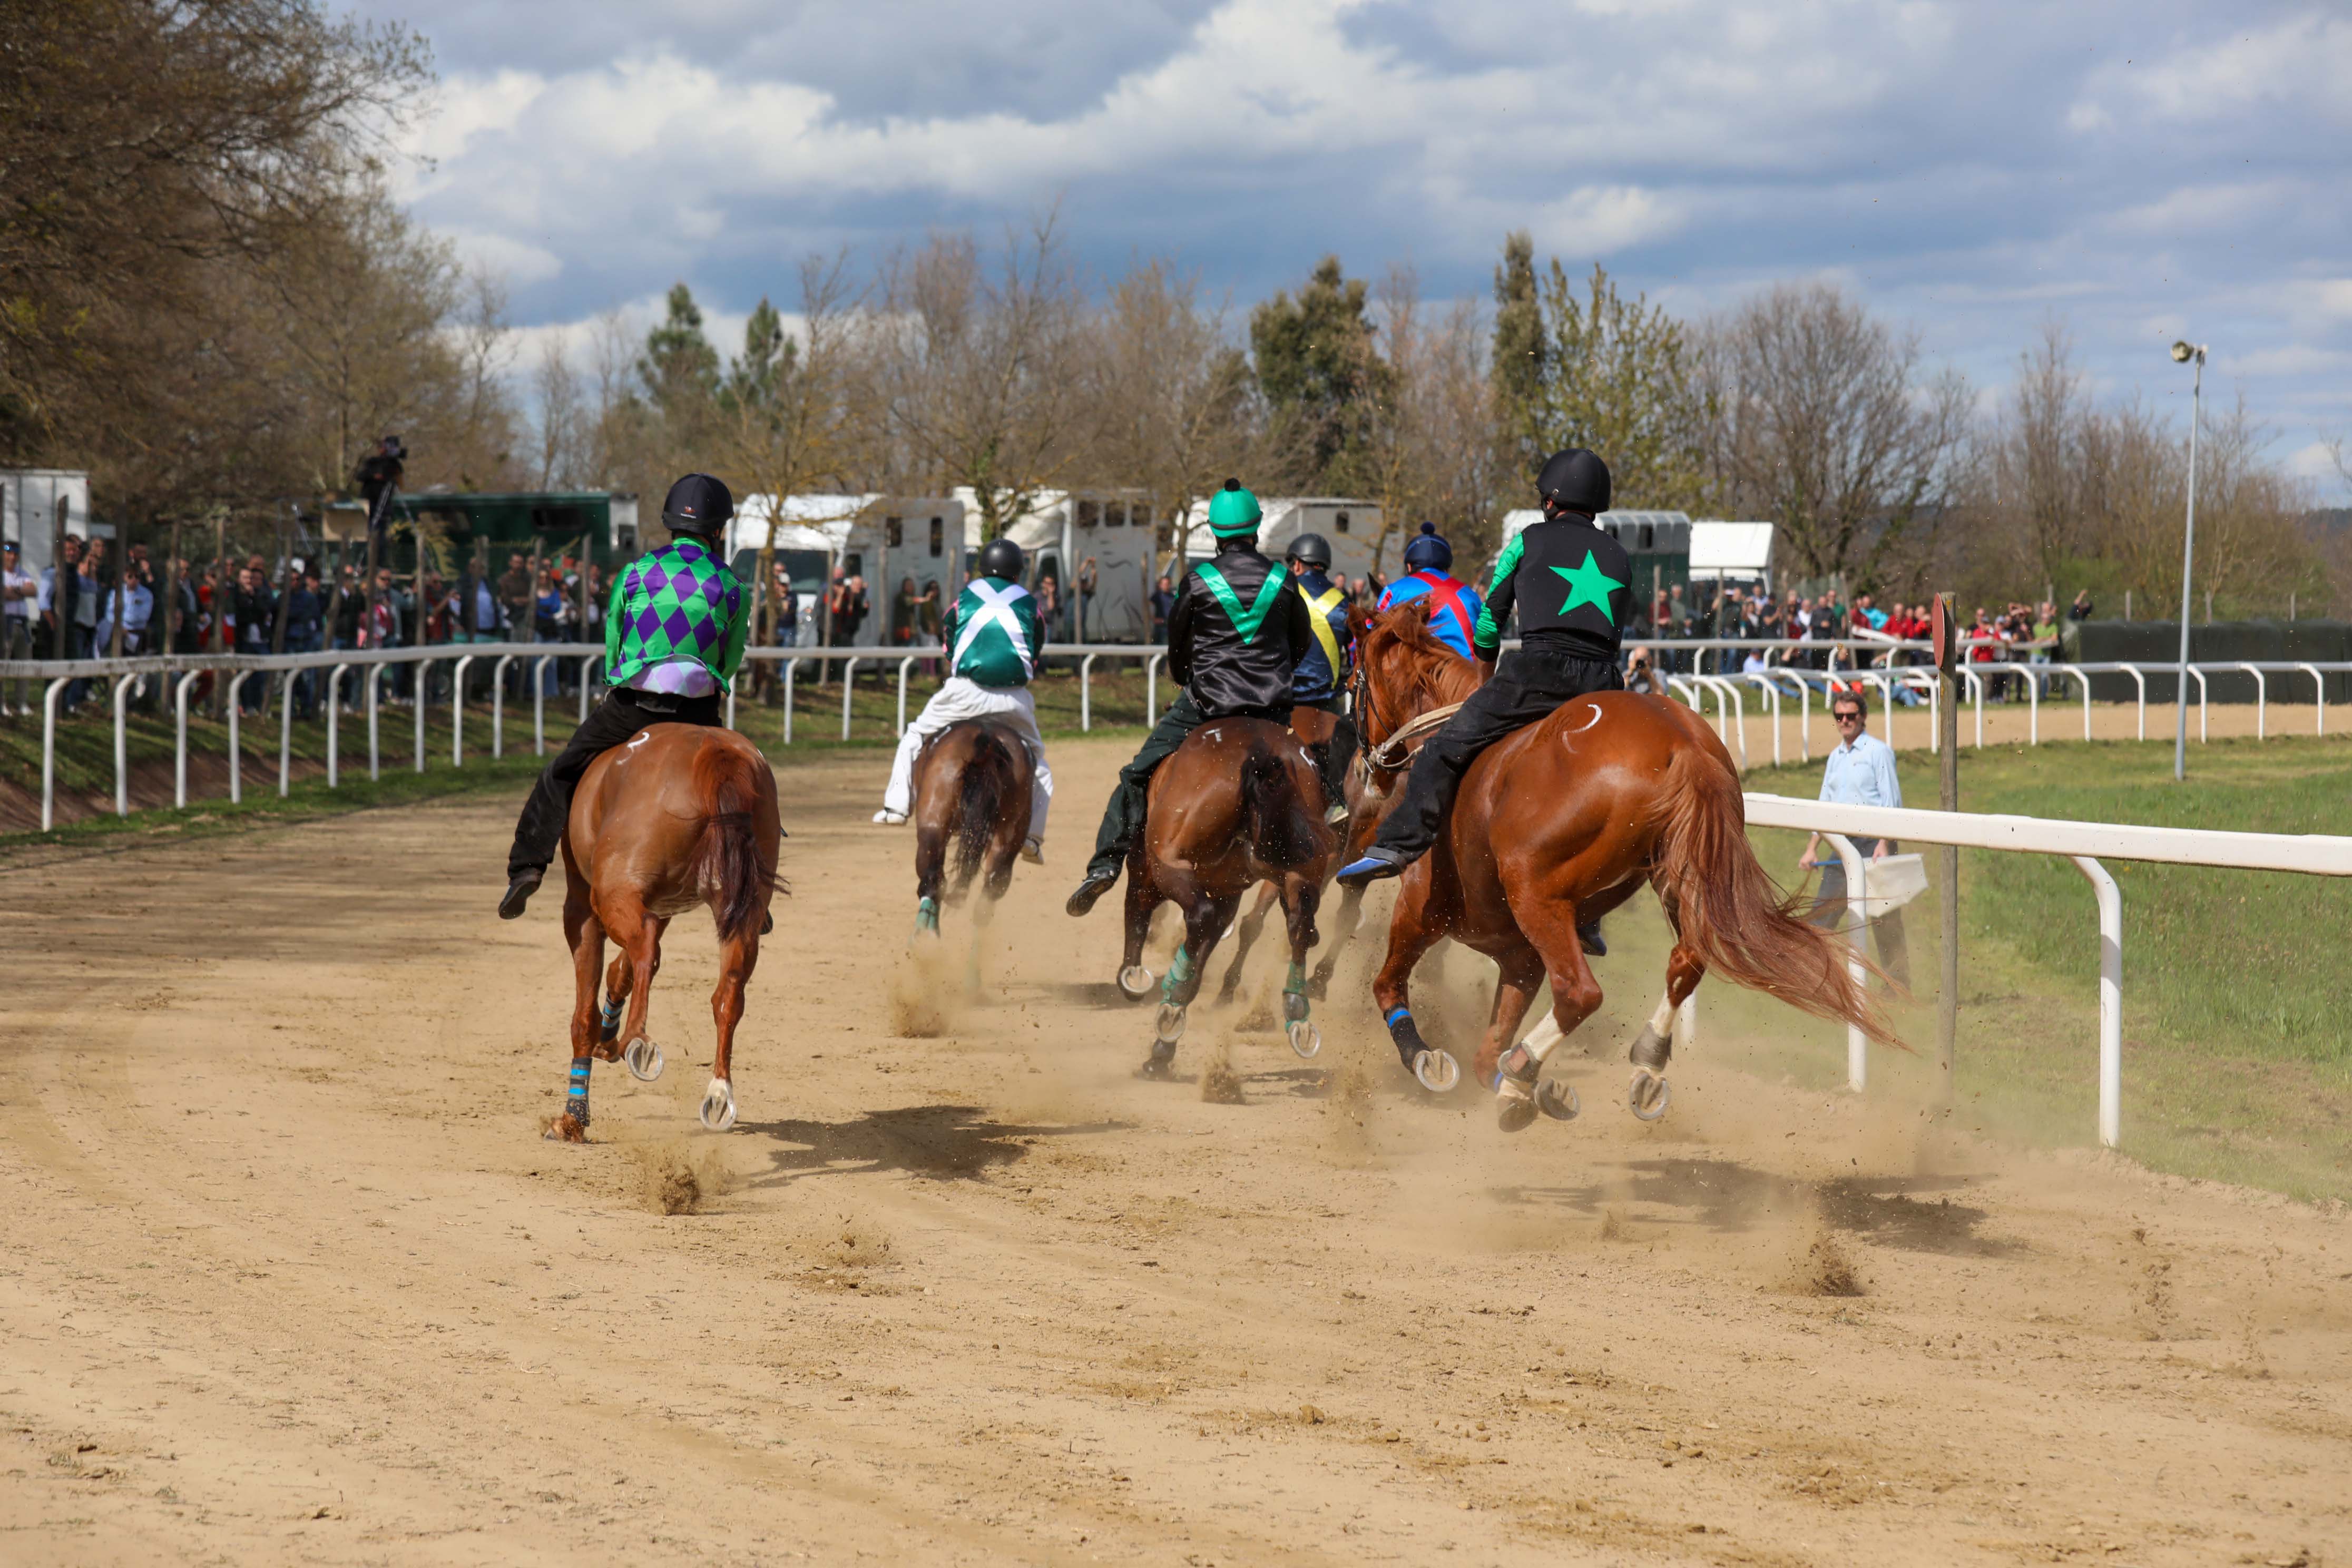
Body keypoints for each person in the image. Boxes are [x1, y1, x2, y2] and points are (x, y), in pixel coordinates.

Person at [1338, 448, 1629, 955]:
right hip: (1605, 687)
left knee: (1441, 752)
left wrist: (1488, 677)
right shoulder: (1620, 555)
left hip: (1537, 674)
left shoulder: (1525, 542)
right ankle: (1589, 915)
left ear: (1549, 499)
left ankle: (1398, 845)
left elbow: (1491, 620)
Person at [498, 474, 747, 919]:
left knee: (560, 772)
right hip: (699, 712)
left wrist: (619, 672)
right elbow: (732, 658)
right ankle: (750, 878)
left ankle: (527, 869)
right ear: (719, 529)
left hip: (634, 706)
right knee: (739, 784)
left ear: (671, 522)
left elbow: (614, 637)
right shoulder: (732, 587)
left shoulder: (636, 572)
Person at [1066, 479, 1311, 916]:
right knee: (1319, 774)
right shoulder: (1284, 580)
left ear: (1215, 532)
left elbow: (1177, 648)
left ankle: (1104, 867)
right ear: (1257, 528)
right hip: (1273, 711)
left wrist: (1186, 679)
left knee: (1135, 776)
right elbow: (1300, 645)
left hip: (1207, 706)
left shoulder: (1197, 581)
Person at [871, 536, 1051, 862]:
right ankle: (1033, 839)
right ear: (1018, 571)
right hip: (1013, 699)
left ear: (982, 567)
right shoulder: (1031, 603)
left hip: (964, 691)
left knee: (914, 736)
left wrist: (959, 663)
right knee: (1039, 765)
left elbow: (948, 641)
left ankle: (895, 807)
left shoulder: (965, 597)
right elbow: (1036, 648)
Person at [1797, 690, 1909, 987]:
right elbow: (1824, 804)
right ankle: (1811, 981)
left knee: (1884, 920)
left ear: (1863, 717)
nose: (1845, 721)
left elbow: (1891, 801)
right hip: (1842, 843)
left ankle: (1897, 987)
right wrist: (1812, 848)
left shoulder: (1878, 752)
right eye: (1839, 717)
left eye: (1850, 716)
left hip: (1876, 841)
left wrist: (1885, 843)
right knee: (1822, 915)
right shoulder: (1835, 758)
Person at [1281, 532, 1357, 826]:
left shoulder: (1284, 591)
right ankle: (1342, 802)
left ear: (1298, 564)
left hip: (1285, 699)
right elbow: (1354, 648)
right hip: (1328, 700)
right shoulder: (1342, 599)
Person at [1375, 522, 1485, 660]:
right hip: (1471, 676)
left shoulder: (1394, 591)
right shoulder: (1471, 596)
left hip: (1419, 677)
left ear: (1409, 567)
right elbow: (1487, 639)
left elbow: (1369, 634)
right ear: (1447, 568)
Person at [2, 541, 35, 715]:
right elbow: (4, 594)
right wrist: (20, 591)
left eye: (15, 554)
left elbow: (33, 591)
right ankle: (2, 703)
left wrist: (14, 591)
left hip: (23, 622)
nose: (12, 557)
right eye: (8, 553)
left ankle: (21, 701)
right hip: (5, 622)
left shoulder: (22, 573)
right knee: (4, 663)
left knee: (25, 664)